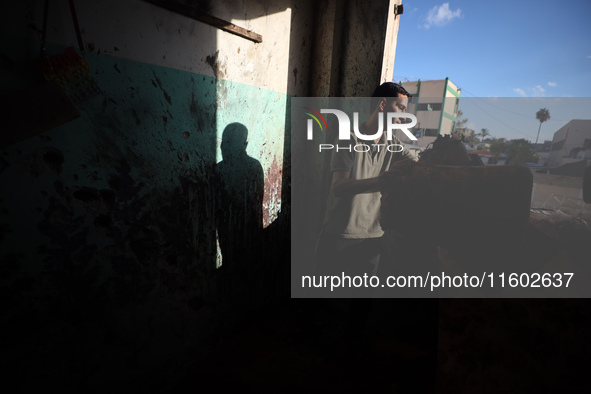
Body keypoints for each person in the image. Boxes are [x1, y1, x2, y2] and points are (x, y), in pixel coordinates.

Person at [314, 82, 416, 292]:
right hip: (339, 234)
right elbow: (339, 187)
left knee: (361, 302)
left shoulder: (395, 144)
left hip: (373, 237)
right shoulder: (347, 139)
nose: (404, 115)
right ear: (382, 105)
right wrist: (385, 180)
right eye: (401, 107)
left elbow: (421, 165)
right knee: (323, 299)